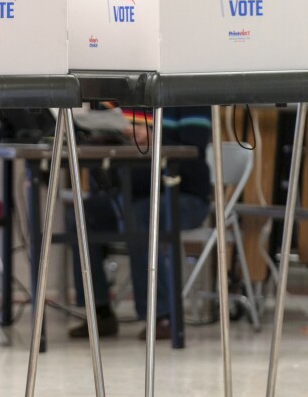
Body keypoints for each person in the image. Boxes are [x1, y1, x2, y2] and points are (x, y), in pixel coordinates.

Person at [67, 107, 211, 340]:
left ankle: (161, 316)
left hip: (185, 196)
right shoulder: (128, 100)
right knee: (83, 215)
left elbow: (193, 151)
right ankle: (99, 313)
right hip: (132, 194)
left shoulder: (189, 99)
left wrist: (154, 138)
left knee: (141, 215)